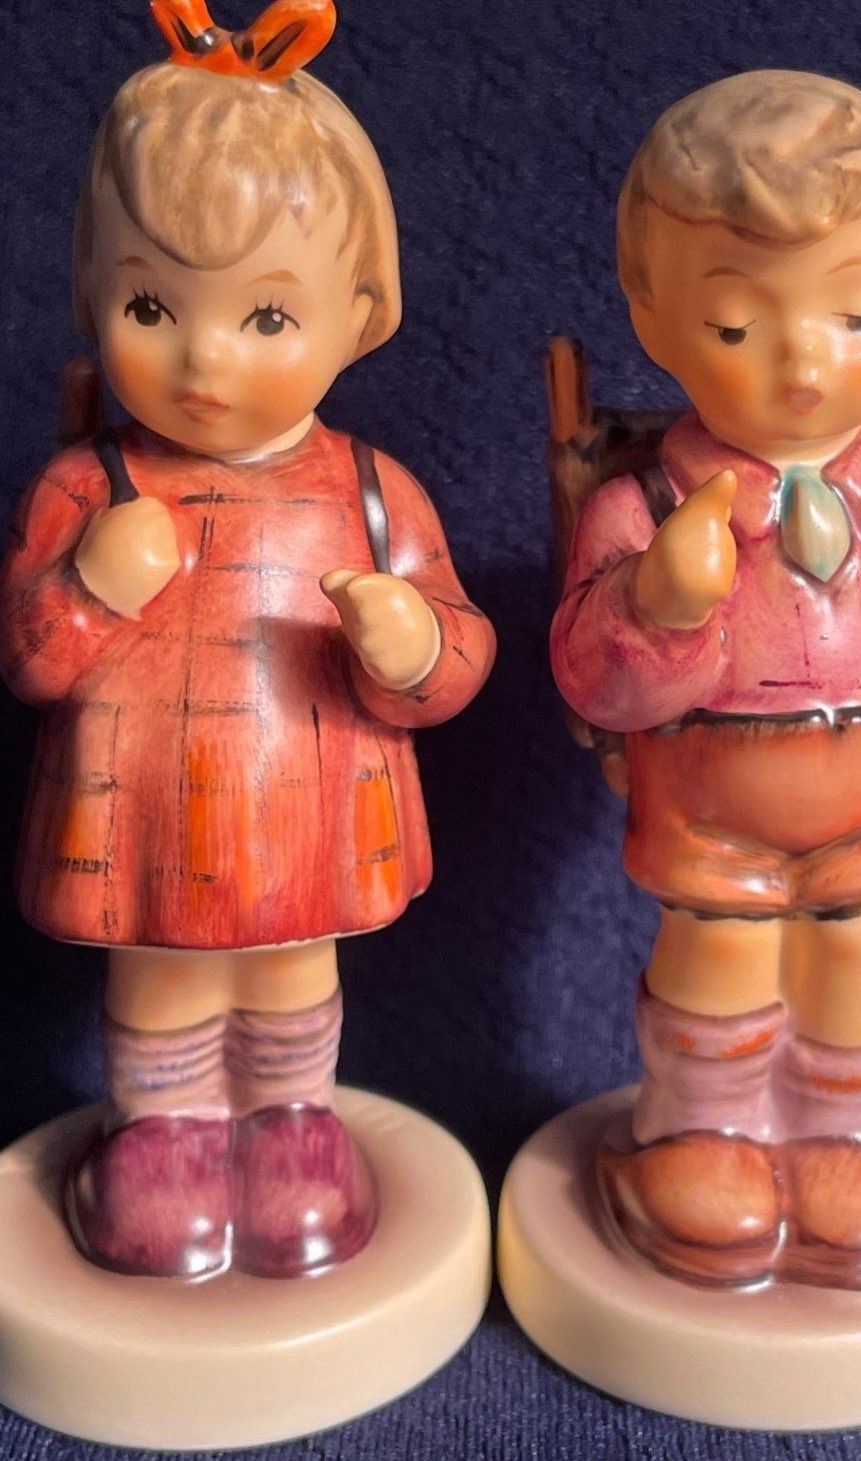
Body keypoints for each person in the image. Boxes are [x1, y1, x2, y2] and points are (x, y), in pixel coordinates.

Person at [0, 0, 495, 1280]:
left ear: (359, 312)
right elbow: (28, 657)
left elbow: (459, 649)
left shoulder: (371, 491)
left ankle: (291, 1120)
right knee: (161, 976)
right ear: (91, 294)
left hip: (303, 806)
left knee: (291, 972)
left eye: (265, 319)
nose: (204, 359)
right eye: (150, 305)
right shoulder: (85, 487)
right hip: (147, 815)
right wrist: (90, 587)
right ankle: (162, 1133)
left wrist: (410, 646)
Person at [551, 69, 861, 1289]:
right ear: (653, 317)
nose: (803, 361)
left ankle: (846, 1136)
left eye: (852, 314)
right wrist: (658, 607)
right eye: (738, 328)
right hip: (712, 816)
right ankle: (700, 1133)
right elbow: (587, 679)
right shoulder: (642, 509)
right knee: (721, 966)